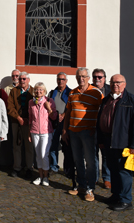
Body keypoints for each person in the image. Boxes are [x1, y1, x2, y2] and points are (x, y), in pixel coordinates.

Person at [97, 74, 134, 211]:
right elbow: (100, 120)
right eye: (112, 83)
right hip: (108, 140)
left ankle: (126, 200)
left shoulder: (131, 100)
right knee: (113, 170)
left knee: (124, 171)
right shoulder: (106, 99)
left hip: (123, 142)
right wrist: (100, 140)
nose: (115, 85)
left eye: (118, 83)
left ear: (125, 84)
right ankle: (116, 195)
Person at [62, 67, 103, 202]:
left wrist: (96, 128)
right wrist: (65, 130)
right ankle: (81, 185)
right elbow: (68, 112)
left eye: (84, 76)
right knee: (78, 160)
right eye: (79, 76)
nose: (81, 79)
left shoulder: (96, 93)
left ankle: (90, 189)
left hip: (88, 132)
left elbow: (102, 112)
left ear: (88, 78)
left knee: (90, 162)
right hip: (73, 132)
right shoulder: (72, 93)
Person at [28, 82, 57, 186]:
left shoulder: (49, 101)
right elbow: (30, 119)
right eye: (36, 89)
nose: (38, 91)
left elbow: (54, 117)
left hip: (46, 132)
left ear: (44, 91)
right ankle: (40, 176)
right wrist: (29, 132)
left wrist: (49, 108)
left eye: (40, 90)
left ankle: (46, 177)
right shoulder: (31, 102)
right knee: (38, 155)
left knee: (44, 154)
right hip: (34, 131)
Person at [7, 72, 34, 178]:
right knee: (16, 145)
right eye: (20, 79)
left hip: (29, 123)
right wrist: (18, 118)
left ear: (28, 80)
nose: (22, 81)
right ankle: (17, 167)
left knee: (29, 146)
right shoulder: (13, 91)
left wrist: (28, 119)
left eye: (24, 79)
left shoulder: (33, 91)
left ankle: (29, 168)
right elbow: (10, 106)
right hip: (16, 122)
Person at [47, 72, 71, 174]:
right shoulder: (52, 92)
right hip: (55, 123)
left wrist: (63, 115)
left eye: (62, 79)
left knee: (67, 146)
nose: (60, 81)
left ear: (66, 81)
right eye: (59, 79)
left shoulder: (70, 93)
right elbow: (48, 106)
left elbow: (72, 107)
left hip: (67, 122)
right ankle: (54, 166)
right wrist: (54, 115)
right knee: (54, 145)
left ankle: (68, 168)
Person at [92, 68, 111, 189]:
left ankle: (107, 178)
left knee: (106, 154)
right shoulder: (89, 90)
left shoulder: (110, 90)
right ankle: (94, 177)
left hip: (105, 127)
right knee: (93, 154)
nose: (97, 79)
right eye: (95, 77)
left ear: (104, 78)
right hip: (92, 126)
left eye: (100, 77)